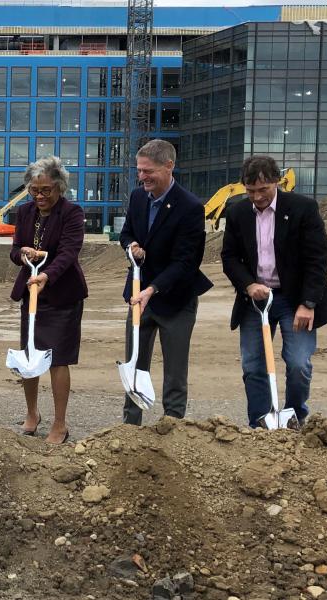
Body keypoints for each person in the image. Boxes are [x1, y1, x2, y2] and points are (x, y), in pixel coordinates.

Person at [220, 155, 327, 428]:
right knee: (253, 365)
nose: (257, 197)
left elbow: (318, 259)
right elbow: (229, 257)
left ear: (276, 182)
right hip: (255, 300)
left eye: (263, 190)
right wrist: (249, 285)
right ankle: (261, 421)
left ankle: (294, 416)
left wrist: (308, 303)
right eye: (250, 191)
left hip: (294, 298)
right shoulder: (237, 212)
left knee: (298, 363)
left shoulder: (303, 209)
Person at [118, 139, 213, 425]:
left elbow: (185, 262)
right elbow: (125, 233)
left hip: (176, 298)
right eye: (140, 170)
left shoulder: (191, 208)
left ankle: (173, 425)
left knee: (174, 369)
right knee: (135, 361)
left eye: (149, 171)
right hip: (139, 295)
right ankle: (129, 427)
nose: (143, 176)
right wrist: (131, 245)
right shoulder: (137, 197)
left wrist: (153, 289)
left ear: (169, 166)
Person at [8, 157, 88, 444]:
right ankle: (32, 414)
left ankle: (60, 423)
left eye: (46, 191)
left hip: (63, 295)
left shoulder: (72, 213)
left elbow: (69, 252)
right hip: (31, 292)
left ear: (60, 188)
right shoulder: (24, 212)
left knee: (58, 360)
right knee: (30, 355)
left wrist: (47, 275)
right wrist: (23, 255)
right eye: (34, 190)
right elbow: (15, 249)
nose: (40, 196)